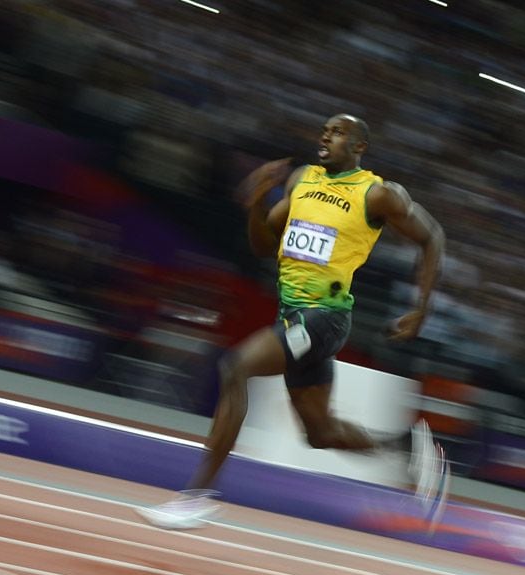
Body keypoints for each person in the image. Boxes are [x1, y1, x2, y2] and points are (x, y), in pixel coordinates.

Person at [137, 113, 449, 529]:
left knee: (236, 367)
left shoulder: (377, 193)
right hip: (293, 315)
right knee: (319, 433)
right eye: (325, 130)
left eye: (338, 133)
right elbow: (264, 244)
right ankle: (402, 446)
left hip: (324, 318)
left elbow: (432, 237)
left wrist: (421, 309)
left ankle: (197, 495)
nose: (326, 136)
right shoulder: (302, 179)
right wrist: (257, 201)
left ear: (359, 147)